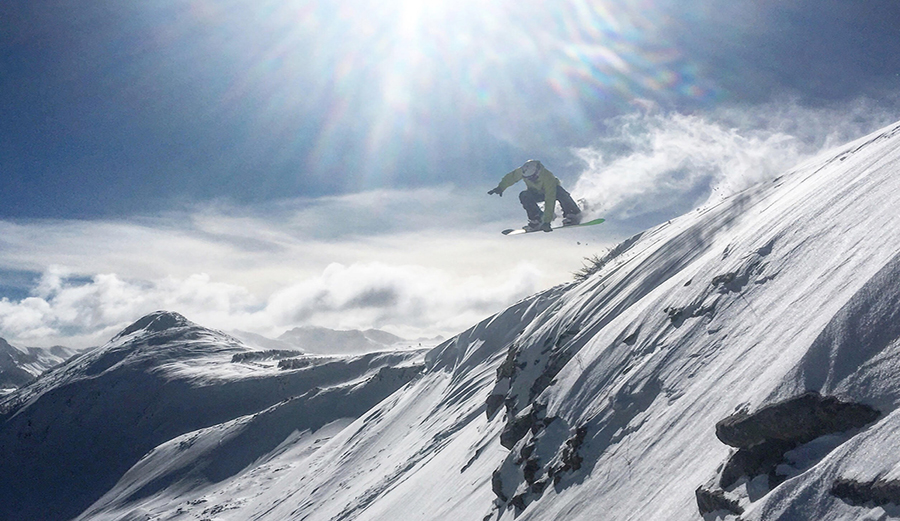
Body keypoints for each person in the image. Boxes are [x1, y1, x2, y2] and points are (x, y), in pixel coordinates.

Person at [488, 159, 582, 232]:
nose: (530, 180)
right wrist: (500, 187)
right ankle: (536, 219)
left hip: (551, 192)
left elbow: (550, 199)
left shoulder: (548, 178)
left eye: (532, 178)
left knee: (560, 192)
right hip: (536, 193)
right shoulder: (523, 171)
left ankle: (573, 212)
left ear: (537, 173)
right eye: (527, 178)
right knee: (524, 195)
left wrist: (547, 221)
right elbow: (511, 177)